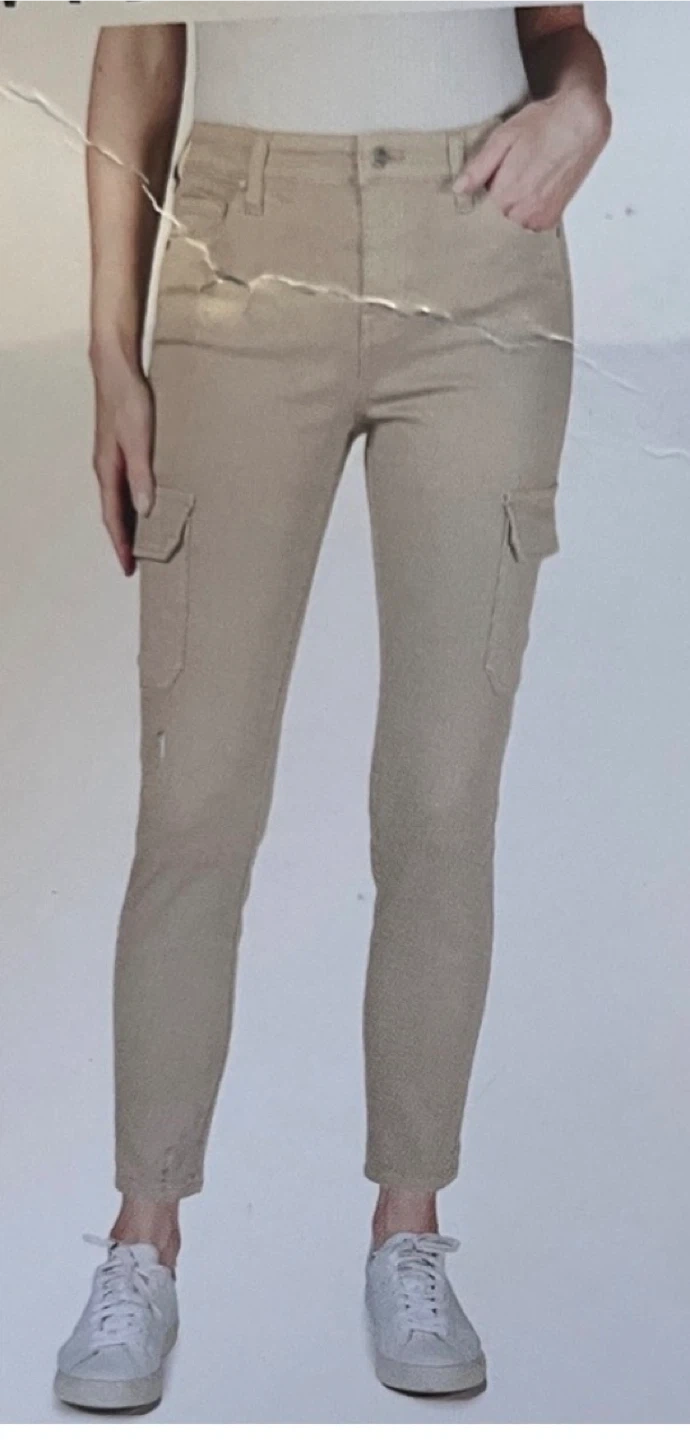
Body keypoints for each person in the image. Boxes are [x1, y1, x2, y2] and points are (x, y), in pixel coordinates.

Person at [54, 6, 611, 1413]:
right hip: (240, 243)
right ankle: (142, 1239)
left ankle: (408, 1230)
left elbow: (556, 27)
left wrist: (580, 105)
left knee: (441, 794)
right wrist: (112, 353)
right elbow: (138, 51)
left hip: (481, 250)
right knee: (196, 796)